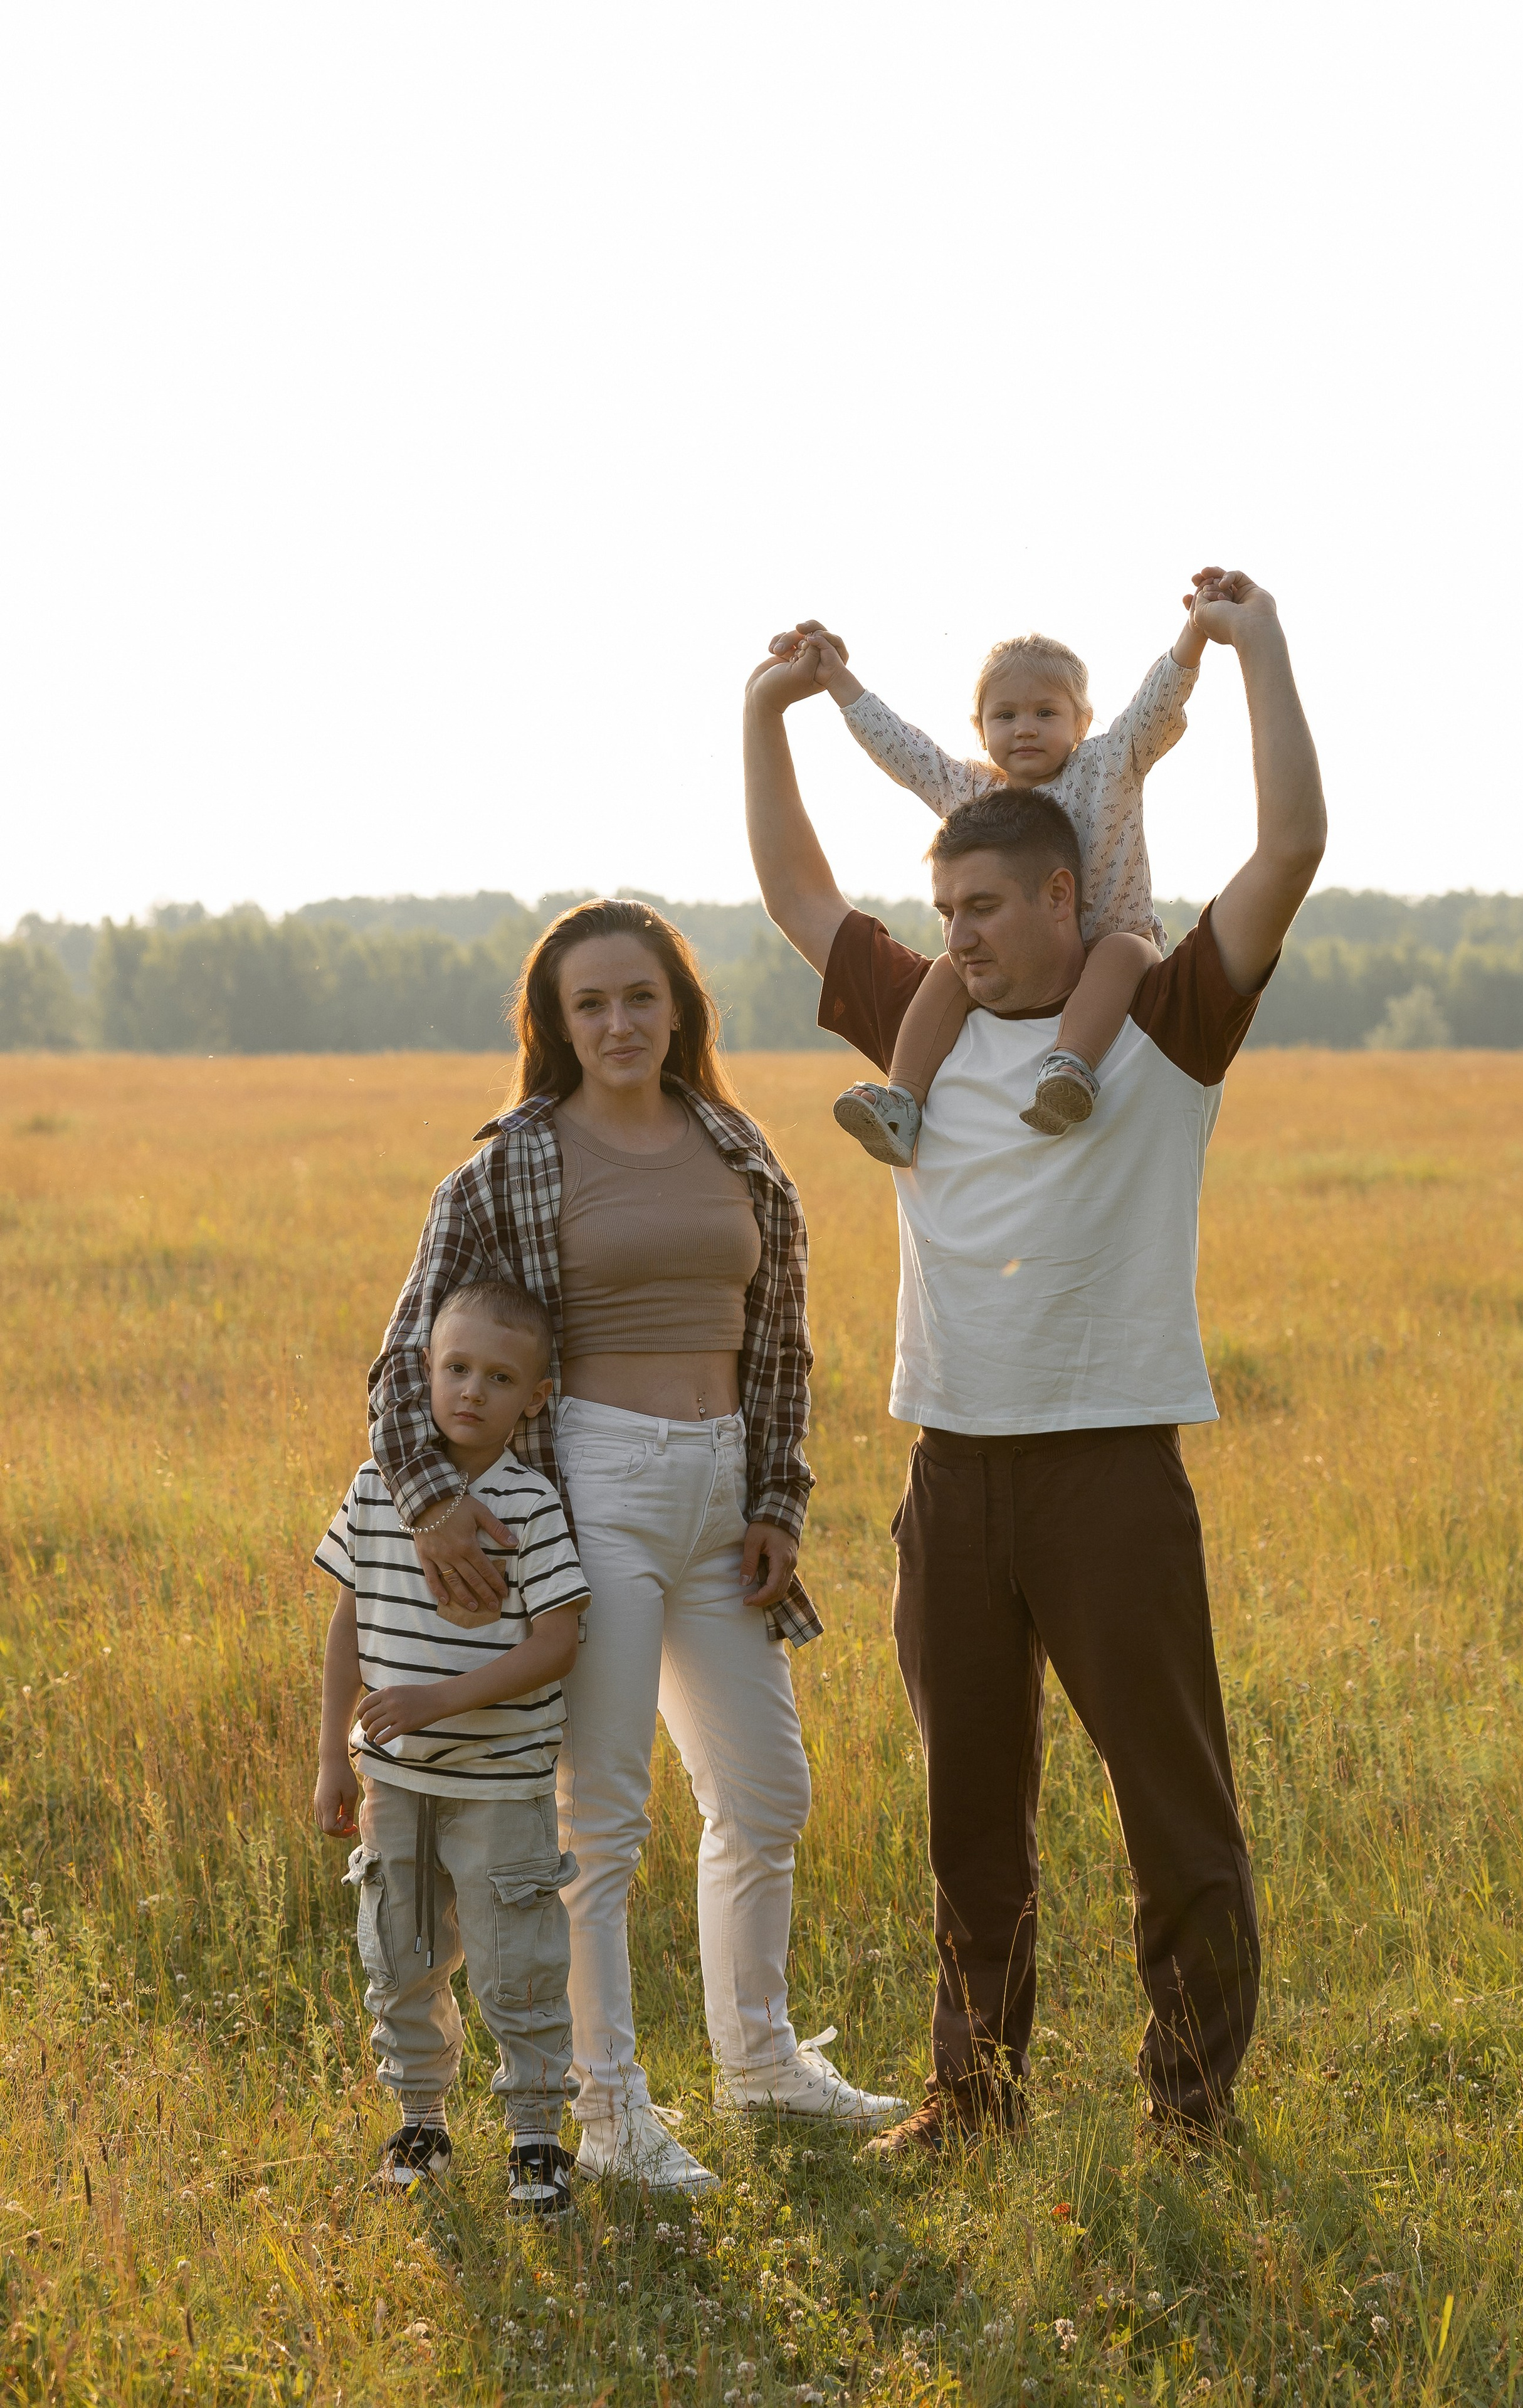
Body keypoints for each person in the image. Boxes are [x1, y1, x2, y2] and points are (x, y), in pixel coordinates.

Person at [744, 568, 1326, 2152]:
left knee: (1172, 1810)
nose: (959, 940)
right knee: (967, 1825)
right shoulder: (918, 1041)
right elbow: (800, 898)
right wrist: (763, 718)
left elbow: (1285, 852)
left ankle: (1188, 2109)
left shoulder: (1162, 1026)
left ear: (1068, 901)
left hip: (1108, 1472)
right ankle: (970, 2100)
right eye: (944, 917)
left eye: (984, 911)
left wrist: (1256, 650)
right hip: (951, 1475)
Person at [367, 897, 904, 2195]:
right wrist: (438, 1504)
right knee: (601, 1820)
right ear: (556, 1025)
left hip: (722, 1494)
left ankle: (758, 2058)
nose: (617, 1022)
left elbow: (779, 1343)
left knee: (765, 1795)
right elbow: (403, 1360)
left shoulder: (738, 1145)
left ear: (680, 1010)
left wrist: (777, 1500)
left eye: (639, 998)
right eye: (588, 1004)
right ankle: (604, 2112)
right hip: (592, 1486)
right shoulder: (508, 1166)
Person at [313, 1277, 586, 2214]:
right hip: (393, 1786)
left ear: (534, 1397)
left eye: (500, 1377)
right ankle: (421, 2122)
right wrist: (327, 1762)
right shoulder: (378, 1490)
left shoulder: (532, 1504)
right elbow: (347, 1626)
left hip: (501, 1786)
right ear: (422, 1372)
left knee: (519, 1962)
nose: (472, 1391)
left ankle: (538, 2139)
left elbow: (558, 1642)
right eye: (456, 1367)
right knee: (401, 1952)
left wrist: (436, 1701)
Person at [767, 595, 1206, 1163]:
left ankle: (1068, 1069)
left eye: (1046, 713)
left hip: (1115, 954)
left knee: (1121, 950)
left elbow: (1157, 703)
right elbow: (906, 753)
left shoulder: (1109, 767)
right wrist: (836, 679)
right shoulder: (976, 794)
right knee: (949, 967)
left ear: (1082, 722)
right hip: (1020, 962)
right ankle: (903, 1099)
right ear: (980, 729)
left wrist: (1194, 631)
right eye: (1006, 716)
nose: (1025, 729)